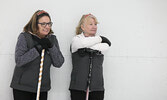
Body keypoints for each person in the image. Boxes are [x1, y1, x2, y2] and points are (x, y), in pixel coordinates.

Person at [10, 10, 64, 100]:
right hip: (23, 87)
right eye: (43, 24)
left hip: (42, 88)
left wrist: (51, 47)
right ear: (35, 24)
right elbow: (19, 61)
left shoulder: (52, 39)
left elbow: (59, 63)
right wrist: (37, 49)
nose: (47, 27)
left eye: (49, 23)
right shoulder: (25, 37)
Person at [69, 13, 111, 100]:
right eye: (90, 24)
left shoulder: (101, 44)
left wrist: (85, 48)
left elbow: (105, 47)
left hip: (97, 87)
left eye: (95, 24)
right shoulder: (76, 40)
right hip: (78, 87)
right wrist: (100, 39)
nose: (94, 26)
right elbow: (81, 43)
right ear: (82, 27)